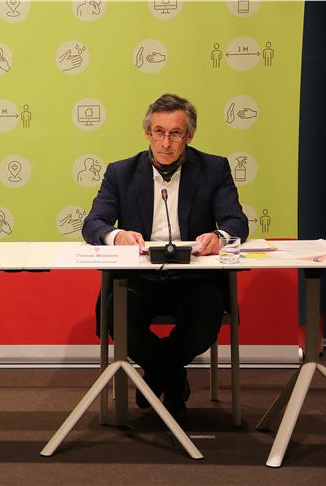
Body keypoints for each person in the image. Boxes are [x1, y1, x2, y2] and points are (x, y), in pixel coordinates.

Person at [81, 93, 248, 422]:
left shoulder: (214, 169)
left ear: (189, 136)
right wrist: (118, 236)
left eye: (175, 133)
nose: (166, 142)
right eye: (159, 132)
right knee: (117, 316)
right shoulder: (121, 173)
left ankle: (157, 376)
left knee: (204, 322)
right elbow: (93, 224)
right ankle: (173, 379)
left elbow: (237, 223)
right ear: (148, 133)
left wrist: (220, 238)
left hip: (194, 278)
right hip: (140, 278)